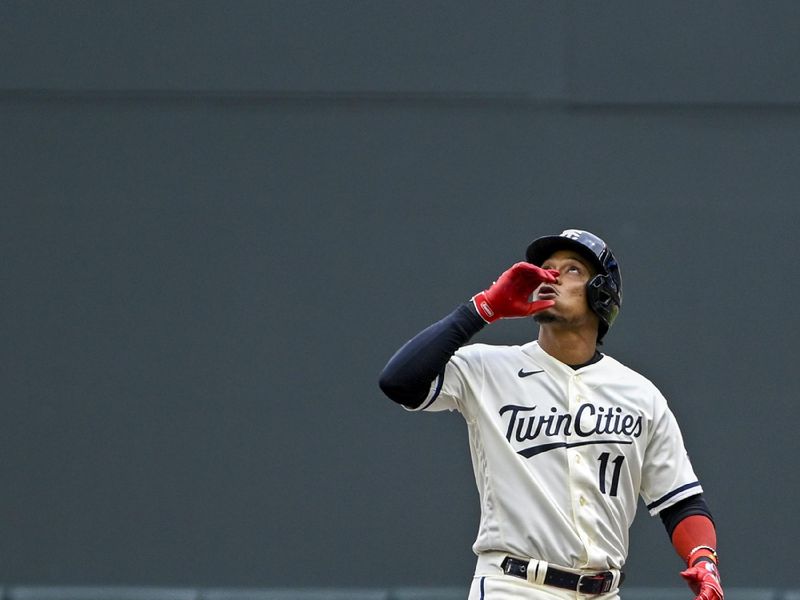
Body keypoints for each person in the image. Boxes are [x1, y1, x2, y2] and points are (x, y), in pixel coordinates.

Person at [378, 229, 723, 600]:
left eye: (572, 269)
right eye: (545, 268)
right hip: (513, 586)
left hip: (604, 592)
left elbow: (680, 501)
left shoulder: (640, 394)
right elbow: (399, 382)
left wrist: (703, 558)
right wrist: (484, 308)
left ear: (602, 293)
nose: (551, 277)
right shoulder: (488, 368)